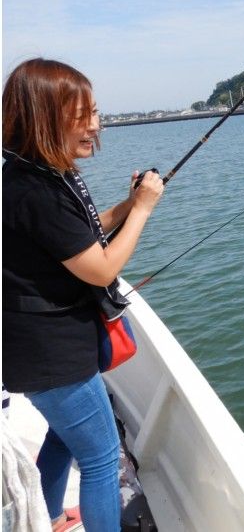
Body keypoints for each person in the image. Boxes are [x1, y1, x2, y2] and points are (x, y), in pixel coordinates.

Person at [2, 58, 164, 531]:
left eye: (96, 111)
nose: (96, 125)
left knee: (61, 435)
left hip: (41, 344)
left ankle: (50, 516)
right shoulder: (38, 190)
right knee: (98, 459)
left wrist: (130, 204)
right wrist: (146, 211)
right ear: (44, 118)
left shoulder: (35, 174)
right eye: (83, 114)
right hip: (52, 352)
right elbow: (101, 268)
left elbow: (83, 235)